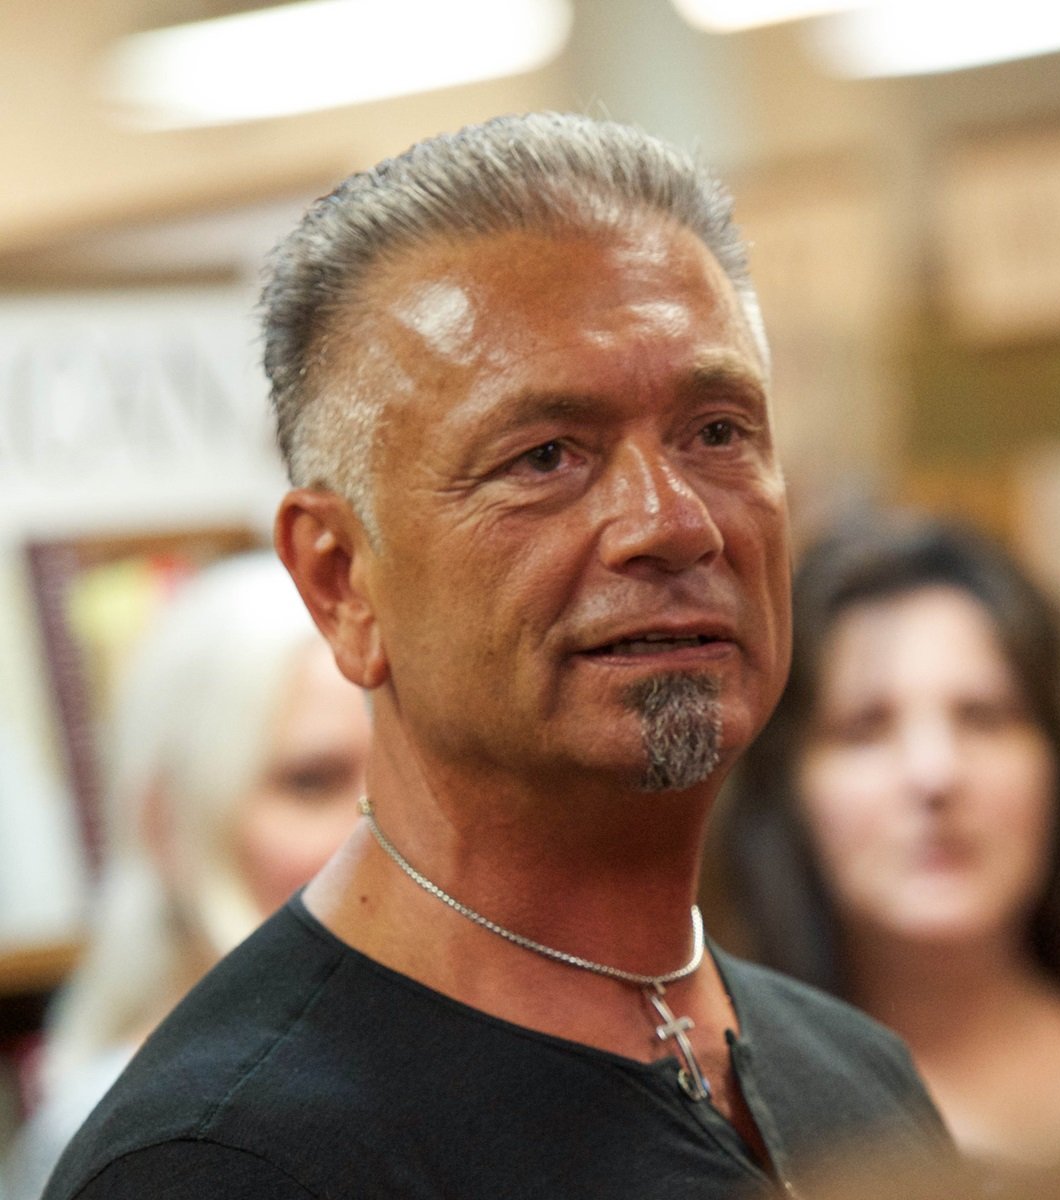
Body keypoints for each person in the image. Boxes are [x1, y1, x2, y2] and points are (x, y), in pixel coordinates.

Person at [42, 112, 949, 1200]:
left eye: (717, 431)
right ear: (339, 581)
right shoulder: (230, 1166)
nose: (672, 522)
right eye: (545, 457)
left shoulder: (858, 1080)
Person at [717, 509, 1060, 1168]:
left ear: (1058, 764)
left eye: (985, 717)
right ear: (786, 790)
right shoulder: (714, 1120)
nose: (935, 774)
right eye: (865, 728)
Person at [6, 552, 368, 1199]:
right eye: (311, 782)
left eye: (408, 781)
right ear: (166, 823)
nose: (377, 822)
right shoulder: (148, 1142)